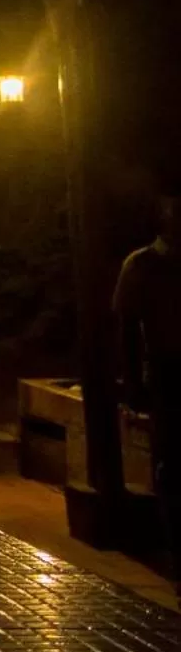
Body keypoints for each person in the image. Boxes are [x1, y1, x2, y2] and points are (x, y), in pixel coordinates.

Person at [114, 194, 181, 580]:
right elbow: (126, 327)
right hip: (166, 372)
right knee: (169, 462)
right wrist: (134, 383)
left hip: (171, 371)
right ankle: (174, 544)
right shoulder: (141, 265)